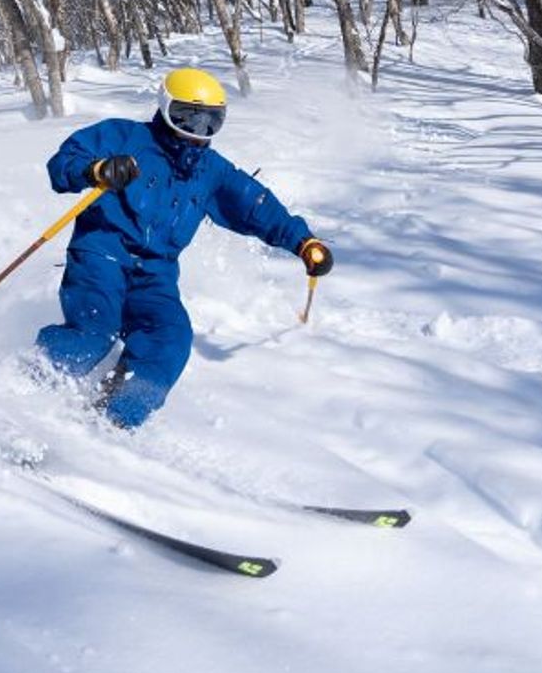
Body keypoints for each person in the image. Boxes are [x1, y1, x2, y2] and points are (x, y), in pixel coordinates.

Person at [35, 67, 333, 429]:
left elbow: (255, 206)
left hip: (156, 274)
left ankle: (110, 419)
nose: (198, 131)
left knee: (170, 338)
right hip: (102, 252)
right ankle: (27, 394)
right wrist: (97, 169)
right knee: (95, 331)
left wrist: (303, 242)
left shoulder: (211, 171)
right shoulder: (125, 137)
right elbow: (63, 163)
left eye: (210, 122)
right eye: (187, 117)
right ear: (165, 108)